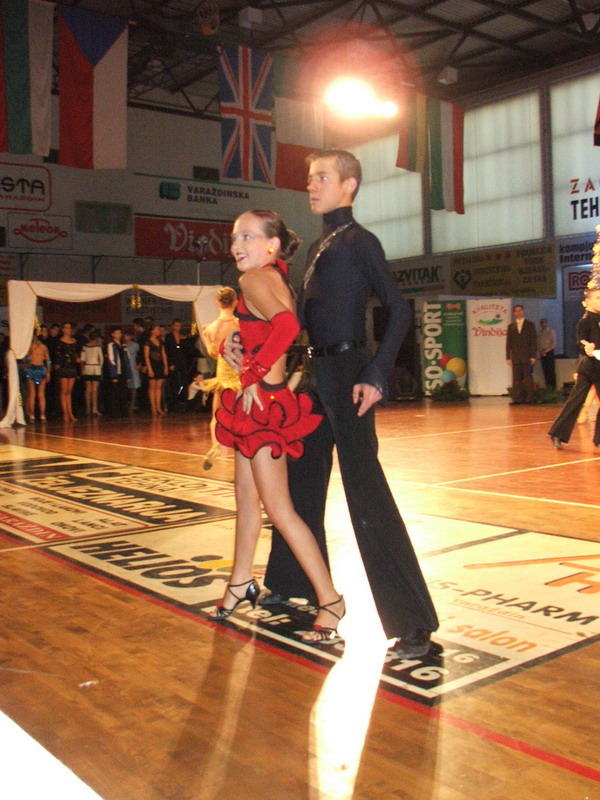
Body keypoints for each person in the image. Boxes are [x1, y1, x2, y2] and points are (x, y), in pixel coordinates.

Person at [255, 150, 439, 658]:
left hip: (351, 374)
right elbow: (298, 321)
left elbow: (399, 309)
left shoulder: (361, 242)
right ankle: (291, 582)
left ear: (349, 185)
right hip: (317, 375)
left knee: (366, 494)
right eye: (310, 177)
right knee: (301, 479)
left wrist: (376, 372)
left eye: (322, 177)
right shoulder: (319, 246)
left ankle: (412, 622)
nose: (312, 185)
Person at [211, 209, 345, 644]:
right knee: (246, 499)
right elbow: (271, 329)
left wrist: (251, 373)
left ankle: (330, 600)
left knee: (280, 510)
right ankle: (239, 581)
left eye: (248, 237)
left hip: (262, 407)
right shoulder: (272, 276)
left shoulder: (253, 279)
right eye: (235, 237)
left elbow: (287, 327)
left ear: (271, 244)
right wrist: (238, 347)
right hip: (264, 404)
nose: (237, 245)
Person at [549, 286, 600, 449]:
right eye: (598, 298)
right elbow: (580, 342)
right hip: (590, 366)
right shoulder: (585, 321)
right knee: (575, 401)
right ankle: (557, 434)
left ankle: (598, 438)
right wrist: (586, 348)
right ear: (587, 301)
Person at [199, 287, 240, 469]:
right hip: (238, 373)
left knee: (216, 415)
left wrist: (206, 337)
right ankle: (241, 448)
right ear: (235, 302)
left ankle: (215, 445)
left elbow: (213, 353)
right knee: (241, 414)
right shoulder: (239, 324)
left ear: (217, 303)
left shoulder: (211, 328)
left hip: (222, 375)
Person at [506, 304, 537, 403]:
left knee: (528, 378)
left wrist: (533, 356)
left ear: (523, 311)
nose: (518, 312)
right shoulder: (511, 326)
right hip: (516, 356)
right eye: (516, 311)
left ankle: (530, 398)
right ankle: (517, 399)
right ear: (514, 313)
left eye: (520, 310)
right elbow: (508, 343)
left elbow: (533, 341)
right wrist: (508, 357)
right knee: (516, 379)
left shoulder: (530, 324)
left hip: (527, 356)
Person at [54, 322, 80, 422]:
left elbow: (75, 353)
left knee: (69, 392)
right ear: (63, 329)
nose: (69, 330)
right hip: (64, 367)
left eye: (70, 328)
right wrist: (58, 364)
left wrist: (77, 359)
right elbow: (57, 355)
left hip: (72, 367)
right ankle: (65, 413)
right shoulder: (59, 341)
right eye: (67, 328)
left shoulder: (74, 341)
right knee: (64, 391)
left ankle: (70, 413)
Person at [24, 334, 51, 421]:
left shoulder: (42, 347)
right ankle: (34, 415)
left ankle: (41, 415)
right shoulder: (37, 347)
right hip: (33, 368)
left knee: (39, 394)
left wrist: (48, 372)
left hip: (39, 368)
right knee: (34, 393)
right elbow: (27, 358)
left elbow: (48, 361)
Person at [103, 326, 128, 418]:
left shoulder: (123, 344)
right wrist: (114, 375)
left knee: (123, 392)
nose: (119, 335)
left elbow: (126, 359)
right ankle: (115, 412)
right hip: (116, 372)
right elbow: (111, 360)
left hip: (123, 370)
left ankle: (123, 411)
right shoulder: (111, 345)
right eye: (117, 333)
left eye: (120, 333)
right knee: (115, 393)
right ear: (112, 334)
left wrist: (128, 374)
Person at [144, 323, 168, 415]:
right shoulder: (148, 342)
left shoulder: (160, 342)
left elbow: (164, 354)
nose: (159, 331)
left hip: (160, 365)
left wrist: (165, 366)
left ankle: (158, 407)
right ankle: (153, 407)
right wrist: (149, 369)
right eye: (157, 329)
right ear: (152, 331)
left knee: (159, 387)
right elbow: (146, 357)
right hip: (152, 365)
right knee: (152, 387)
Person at [164, 318, 187, 411]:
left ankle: (183, 401)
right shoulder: (169, 337)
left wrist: (183, 340)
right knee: (174, 383)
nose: (178, 327)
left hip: (182, 362)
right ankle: (173, 403)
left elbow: (186, 349)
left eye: (179, 326)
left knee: (183, 382)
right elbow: (167, 351)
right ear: (172, 326)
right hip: (173, 362)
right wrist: (170, 363)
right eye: (176, 325)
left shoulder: (183, 336)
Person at [80, 328, 104, 416]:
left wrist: (82, 370)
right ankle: (94, 409)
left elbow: (82, 360)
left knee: (88, 389)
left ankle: (88, 409)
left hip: (87, 368)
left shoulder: (85, 347)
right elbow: (101, 359)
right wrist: (100, 367)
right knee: (94, 390)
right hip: (96, 368)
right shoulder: (98, 347)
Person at [124, 331, 141, 414]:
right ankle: (126, 403)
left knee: (134, 387)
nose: (126, 337)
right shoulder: (122, 345)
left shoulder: (135, 345)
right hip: (125, 366)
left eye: (127, 336)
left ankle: (133, 404)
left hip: (133, 366)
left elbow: (140, 355)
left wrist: (139, 364)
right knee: (126, 387)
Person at [538, 318, 557, 389]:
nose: (542, 324)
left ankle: (553, 388)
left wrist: (546, 350)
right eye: (541, 323)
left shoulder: (551, 331)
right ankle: (548, 387)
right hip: (542, 352)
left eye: (543, 322)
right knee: (545, 370)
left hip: (549, 352)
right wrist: (540, 351)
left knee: (551, 370)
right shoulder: (539, 333)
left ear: (546, 323)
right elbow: (538, 343)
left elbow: (553, 343)